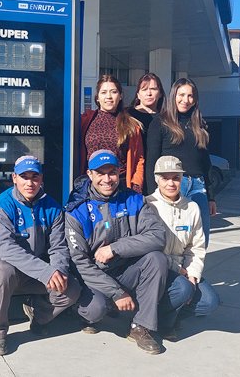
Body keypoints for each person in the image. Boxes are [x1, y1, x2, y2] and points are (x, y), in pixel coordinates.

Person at [66, 149, 167, 355]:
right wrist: (117, 293)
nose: (107, 179)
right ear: (90, 174)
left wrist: (115, 248)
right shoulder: (77, 210)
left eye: (111, 172)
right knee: (95, 310)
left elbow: (158, 236)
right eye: (100, 173)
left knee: (156, 259)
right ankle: (84, 312)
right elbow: (80, 263)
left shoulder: (134, 200)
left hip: (126, 271)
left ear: (119, 172)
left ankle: (140, 326)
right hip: (94, 278)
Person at [0, 156, 81, 356]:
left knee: (71, 288)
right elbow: (5, 248)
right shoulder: (1, 205)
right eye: (24, 177)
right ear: (14, 178)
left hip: (37, 270)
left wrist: (58, 271)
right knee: (3, 272)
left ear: (41, 178)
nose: (30, 183)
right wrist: (46, 272)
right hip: (5, 266)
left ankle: (39, 316)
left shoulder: (52, 207)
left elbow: (58, 247)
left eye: (34, 177)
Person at [146, 156, 219, 338]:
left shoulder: (192, 208)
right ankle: (161, 322)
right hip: (158, 269)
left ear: (182, 179)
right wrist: (177, 270)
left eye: (176, 178)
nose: (171, 183)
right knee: (183, 290)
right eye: (165, 178)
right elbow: (148, 248)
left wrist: (193, 273)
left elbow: (196, 247)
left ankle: (171, 314)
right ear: (156, 179)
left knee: (209, 302)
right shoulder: (147, 206)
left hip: (184, 270)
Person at [145, 78, 217, 245]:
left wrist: (211, 197)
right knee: (173, 239)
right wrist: (152, 196)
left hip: (198, 186)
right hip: (173, 184)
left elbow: (205, 162)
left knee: (201, 239)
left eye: (190, 96)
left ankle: (193, 264)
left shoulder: (199, 125)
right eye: (181, 95)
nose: (186, 100)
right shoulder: (160, 122)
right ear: (173, 96)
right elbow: (151, 161)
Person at [79, 74, 145, 194]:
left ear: (120, 96)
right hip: (91, 187)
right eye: (104, 92)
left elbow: (139, 160)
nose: (108, 96)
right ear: (97, 97)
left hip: (120, 186)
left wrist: (136, 186)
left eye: (113, 92)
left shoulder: (131, 125)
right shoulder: (85, 120)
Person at [128, 73, 166, 194]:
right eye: (144, 89)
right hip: (132, 173)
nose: (149, 93)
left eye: (153, 89)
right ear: (138, 94)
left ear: (160, 93)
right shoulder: (127, 116)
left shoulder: (166, 119)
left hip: (158, 174)